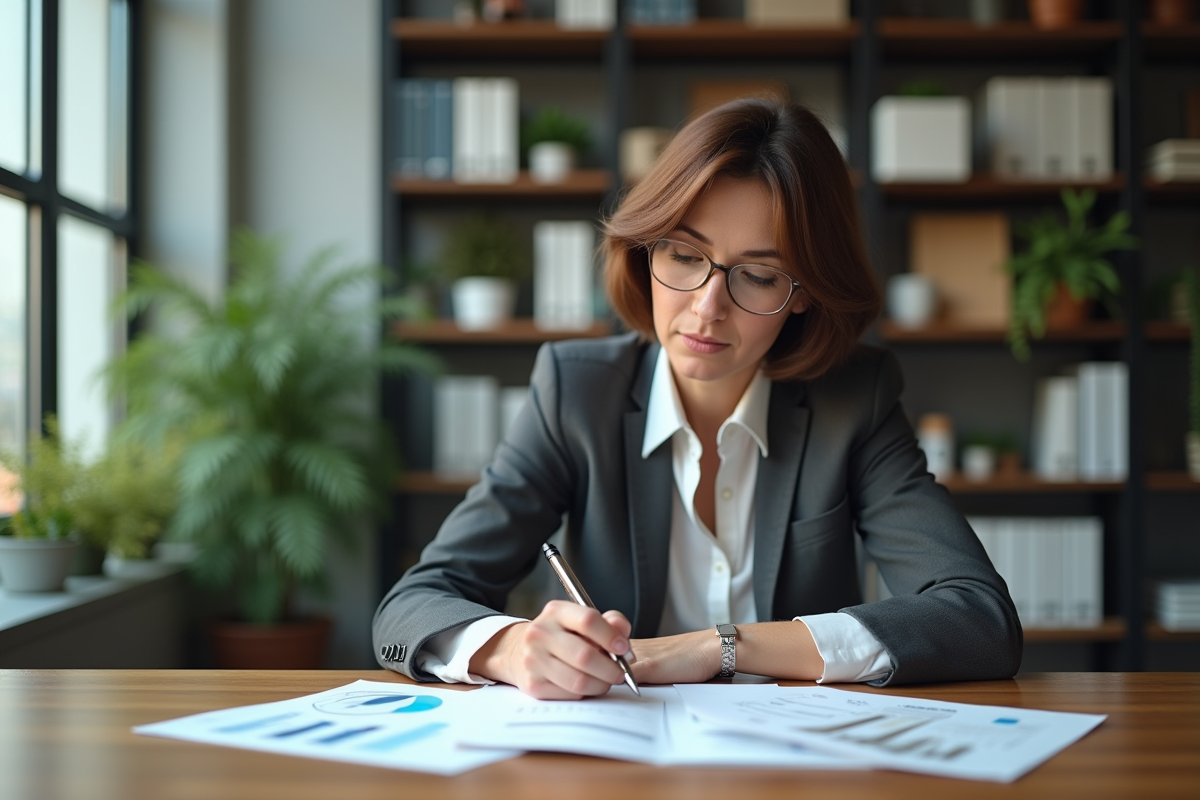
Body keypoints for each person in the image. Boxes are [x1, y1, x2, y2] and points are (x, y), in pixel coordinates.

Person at [373, 98, 1022, 699]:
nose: (706, 309)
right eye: (684, 256)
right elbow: (411, 609)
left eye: (760, 275)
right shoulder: (577, 391)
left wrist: (719, 648)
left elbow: (978, 619)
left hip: (797, 765)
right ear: (644, 249)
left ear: (804, 295)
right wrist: (512, 648)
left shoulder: (854, 399)